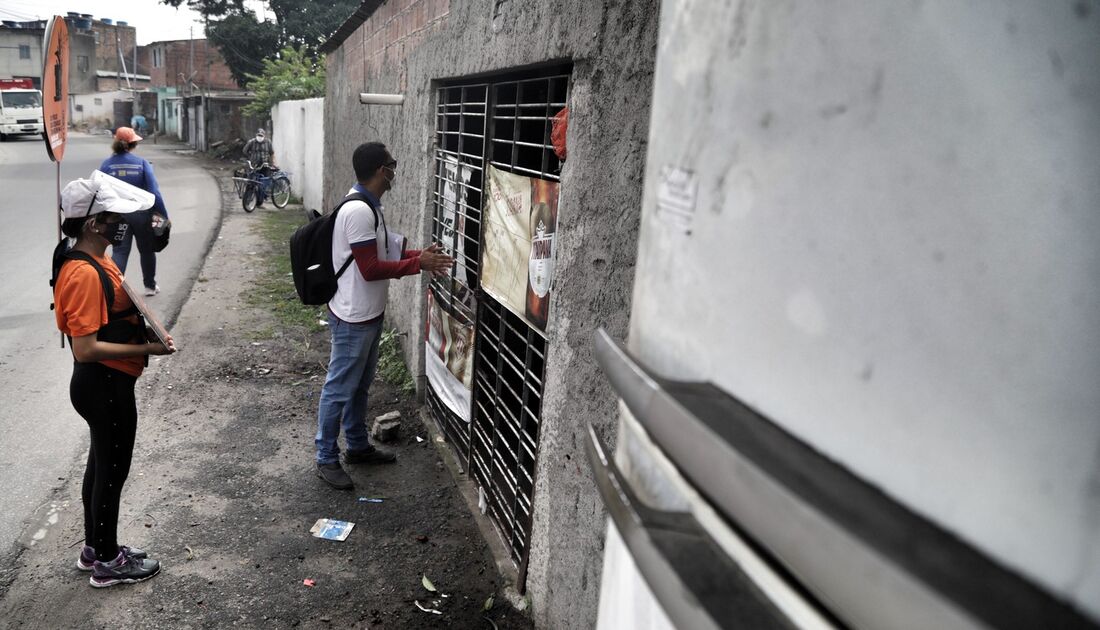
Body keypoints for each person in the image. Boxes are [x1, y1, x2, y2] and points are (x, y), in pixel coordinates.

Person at [54, 174, 176, 587]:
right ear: (92, 224)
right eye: (110, 217)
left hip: (105, 384)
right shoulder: (85, 273)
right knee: (112, 470)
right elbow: (85, 348)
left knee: (101, 464)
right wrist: (148, 350)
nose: (120, 222)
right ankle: (108, 562)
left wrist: (149, 333)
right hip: (102, 384)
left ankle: (95, 550)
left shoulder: (96, 260)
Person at [315, 141, 454, 489]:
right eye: (392, 165)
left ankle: (358, 446)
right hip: (352, 317)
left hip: (367, 313)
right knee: (339, 388)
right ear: (381, 170)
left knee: (359, 386)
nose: (394, 172)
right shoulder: (358, 211)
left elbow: (384, 249)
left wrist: (420, 254)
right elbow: (370, 268)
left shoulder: (370, 207)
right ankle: (326, 458)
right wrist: (417, 265)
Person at [100, 127, 168, 297]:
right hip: (141, 215)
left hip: (117, 216)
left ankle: (113, 290)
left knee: (120, 252)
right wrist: (163, 215)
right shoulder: (142, 163)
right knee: (146, 250)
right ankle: (150, 286)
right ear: (134, 143)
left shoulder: (107, 165)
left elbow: (99, 191)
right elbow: (154, 192)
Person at [242, 128, 275, 206]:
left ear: (264, 136)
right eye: (258, 135)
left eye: (261, 135)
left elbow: (272, 153)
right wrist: (250, 158)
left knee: (263, 184)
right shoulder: (251, 142)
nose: (260, 137)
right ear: (256, 135)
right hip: (254, 166)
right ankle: (247, 199)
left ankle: (260, 202)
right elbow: (244, 151)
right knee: (251, 182)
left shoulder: (268, 142)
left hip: (265, 166)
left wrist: (272, 163)